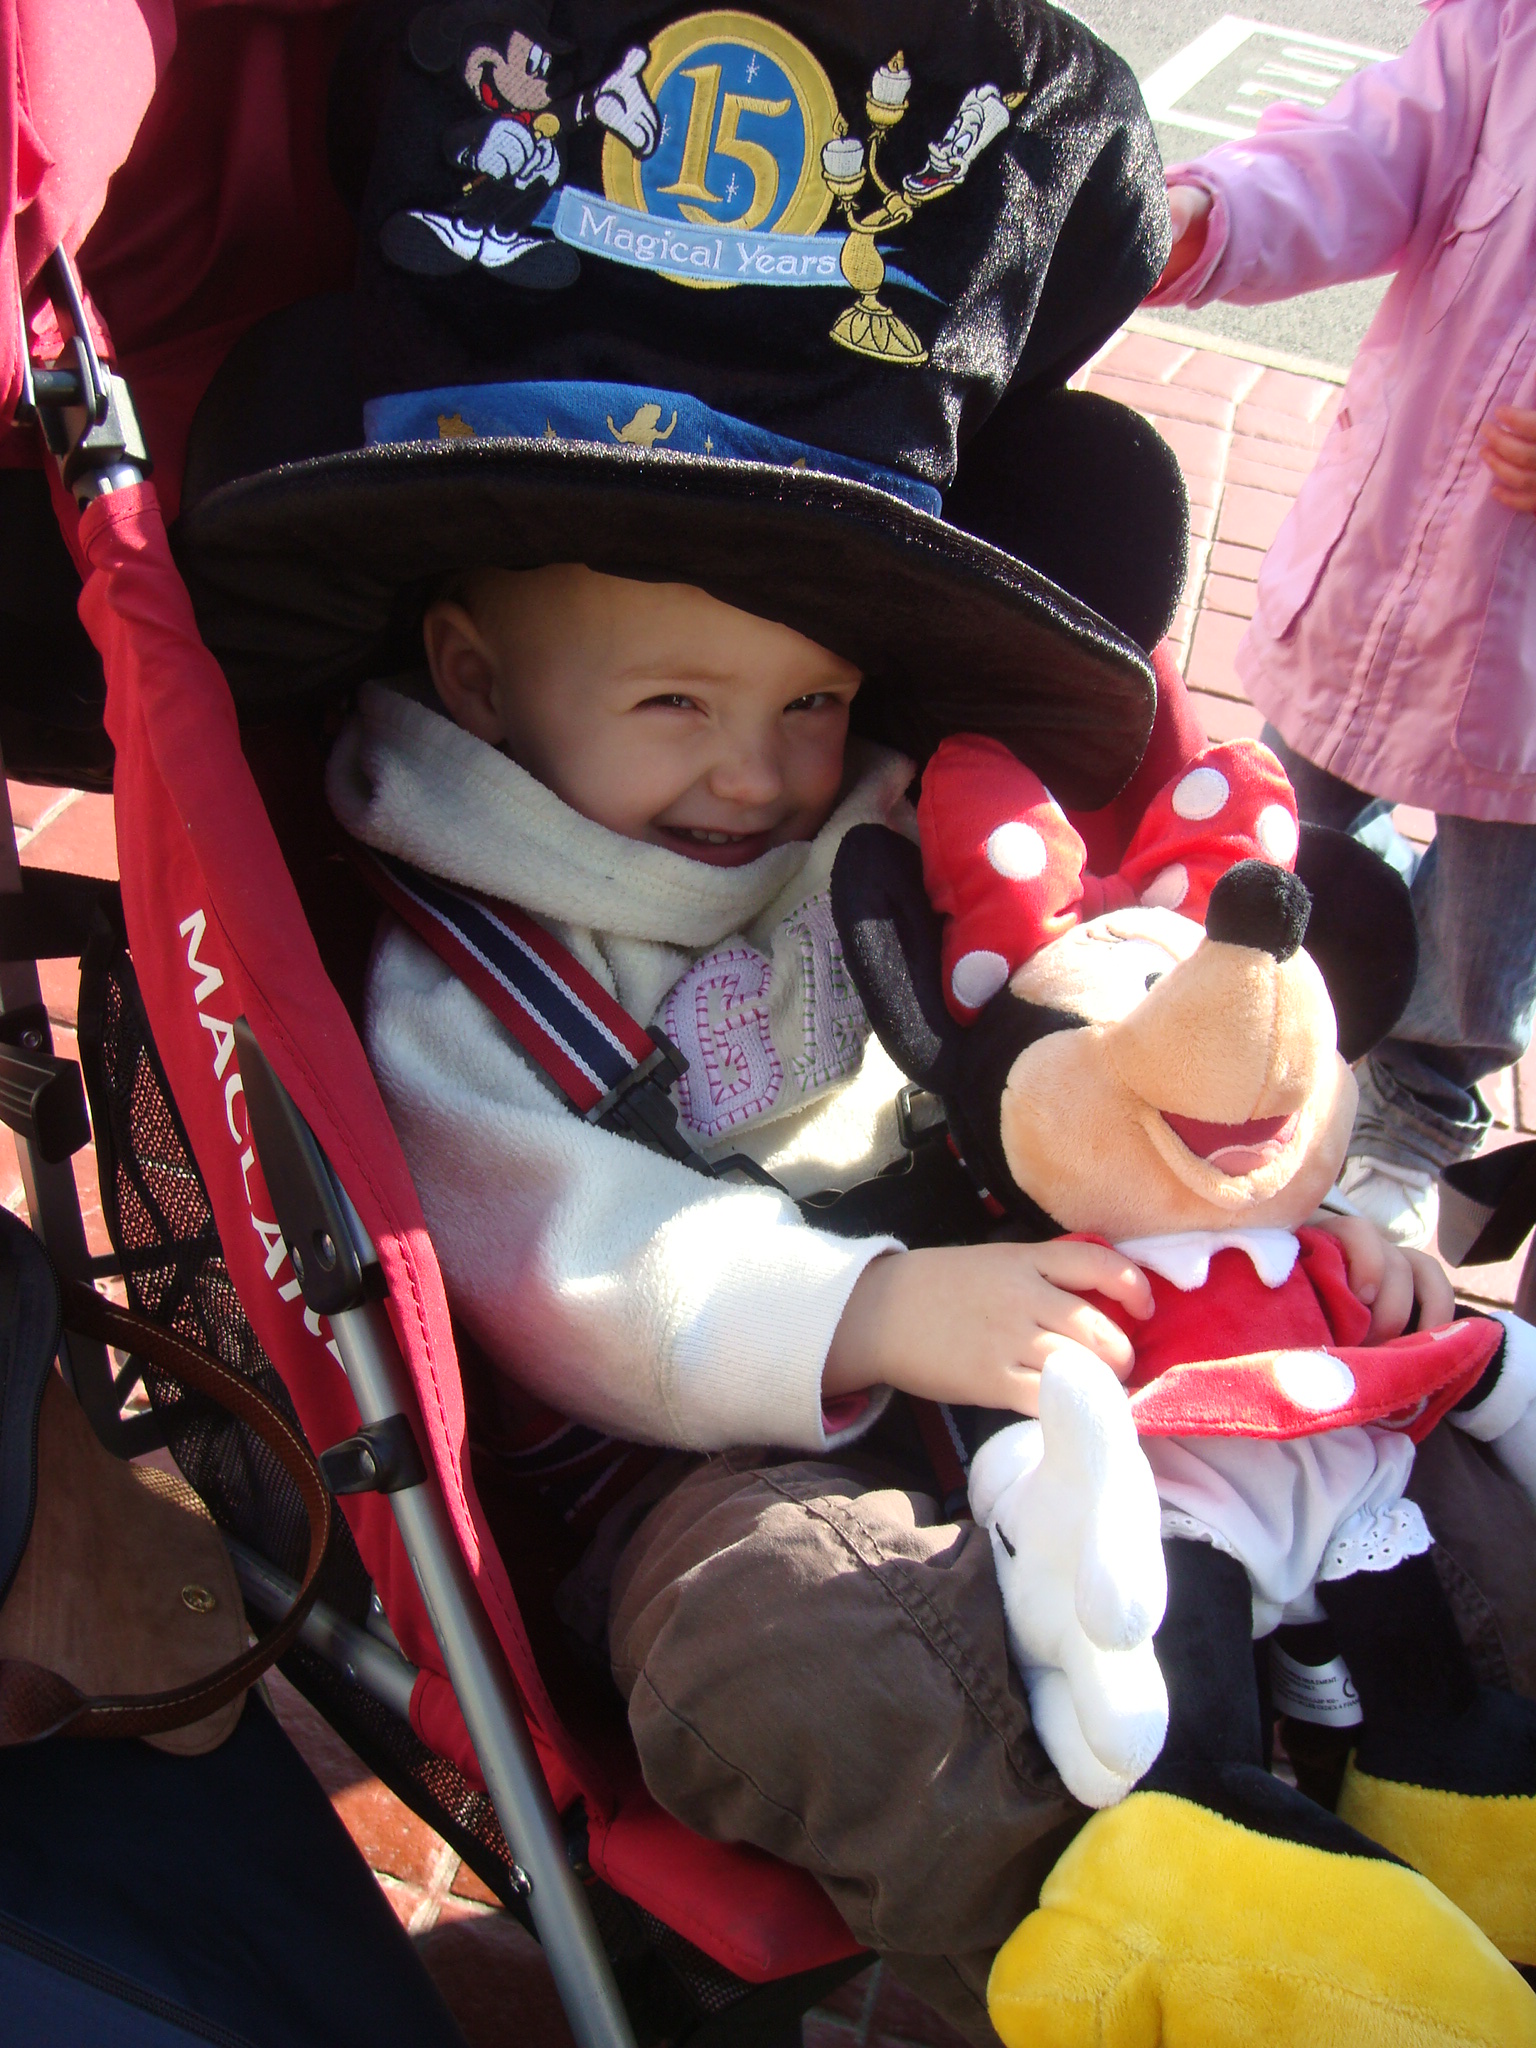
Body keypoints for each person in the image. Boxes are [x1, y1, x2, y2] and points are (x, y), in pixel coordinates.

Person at [173, 3, 1534, 2037]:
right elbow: (559, 1252)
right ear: (471, 675)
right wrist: (869, 1314)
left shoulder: (895, 817)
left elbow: (1099, 1025)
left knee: (1420, 1434)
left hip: (1063, 1341)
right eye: (674, 705)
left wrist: (1274, 1213)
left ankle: (1469, 1756)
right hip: (707, 1444)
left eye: (807, 701)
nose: (757, 771)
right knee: (778, 1654)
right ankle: (1143, 1909)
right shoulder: (460, 964)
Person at [1146, 0, 1536, 1249]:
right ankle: (1256, 1035)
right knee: (1287, 826)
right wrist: (1216, 214)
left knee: (1491, 907)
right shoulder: (1508, 31)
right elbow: (1375, 149)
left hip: (1525, 651)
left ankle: (1416, 1114)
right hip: (1389, 548)